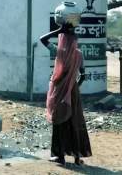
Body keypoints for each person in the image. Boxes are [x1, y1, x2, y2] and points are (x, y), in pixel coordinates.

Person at [40, 24, 92, 166]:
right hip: (73, 92)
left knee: (59, 123)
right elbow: (83, 75)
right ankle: (76, 157)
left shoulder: (59, 52)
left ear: (62, 39)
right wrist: (73, 87)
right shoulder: (79, 54)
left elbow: (42, 39)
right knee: (74, 122)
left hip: (59, 92)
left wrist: (58, 30)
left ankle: (60, 156)